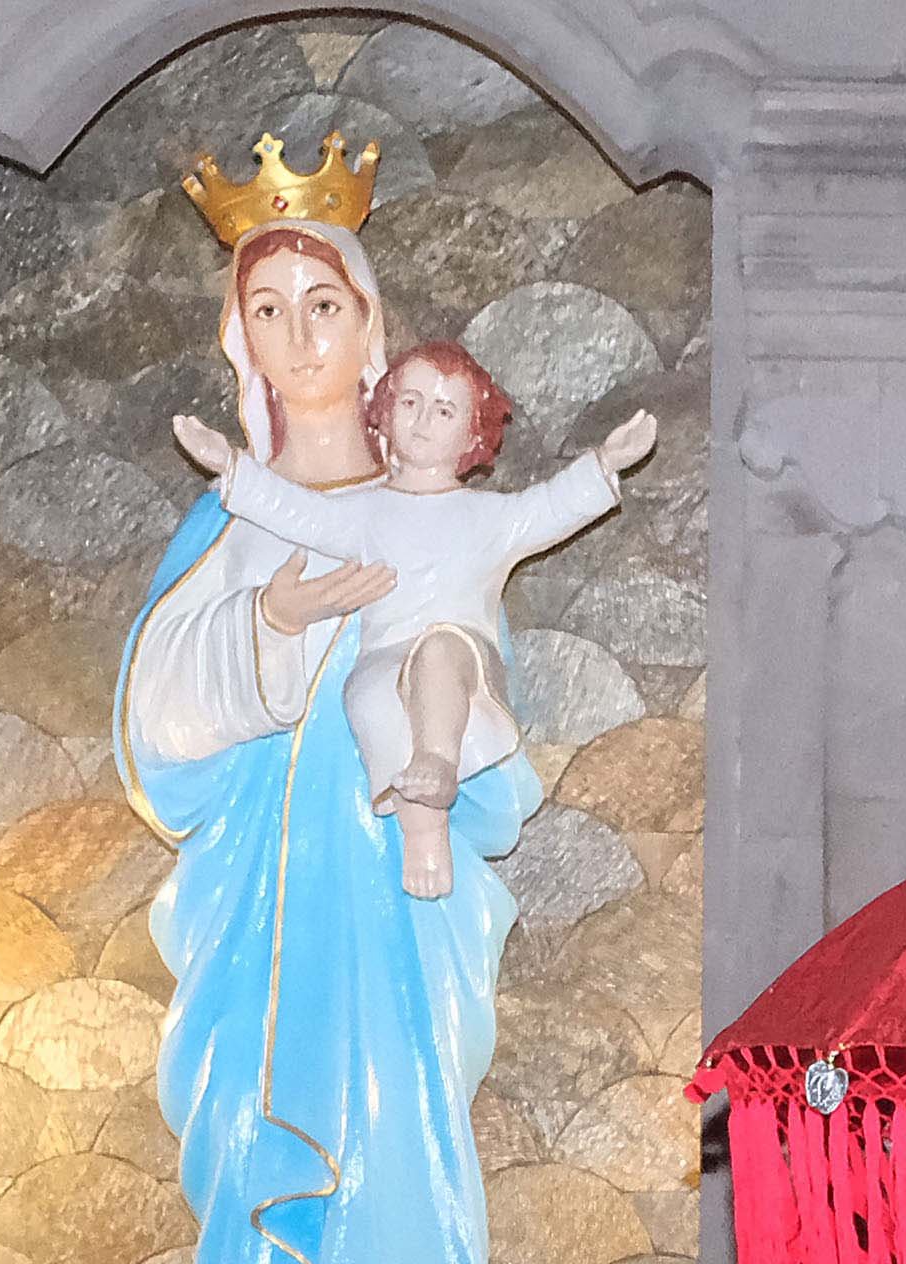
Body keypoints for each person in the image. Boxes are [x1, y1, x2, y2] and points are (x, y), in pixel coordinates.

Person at [117, 189, 521, 1264]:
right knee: (256, 1176)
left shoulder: (432, 519)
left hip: (391, 922)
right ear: (240, 336)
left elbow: (487, 721)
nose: (298, 334)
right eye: (268, 308)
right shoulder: (232, 523)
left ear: (370, 329)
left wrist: (429, 730)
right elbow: (162, 728)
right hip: (259, 932)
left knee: (393, 1160)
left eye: (325, 304)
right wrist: (277, 616)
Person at [171, 362, 654, 900]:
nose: (424, 419)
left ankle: (436, 770)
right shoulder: (365, 513)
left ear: (474, 434)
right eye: (411, 402)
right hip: (384, 659)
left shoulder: (491, 517)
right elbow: (295, 510)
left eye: (444, 410)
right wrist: (230, 465)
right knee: (369, 692)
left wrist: (608, 461)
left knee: (438, 652)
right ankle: (420, 831)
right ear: (385, 410)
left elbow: (552, 506)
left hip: (463, 657)